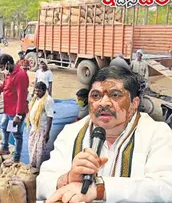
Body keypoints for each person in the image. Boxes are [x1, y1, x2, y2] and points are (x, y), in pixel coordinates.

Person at [36, 66, 172, 202]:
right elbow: (43, 182)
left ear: (134, 103)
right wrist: (67, 178)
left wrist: (100, 189)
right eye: (96, 95)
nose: (104, 103)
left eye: (115, 95)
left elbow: (166, 188)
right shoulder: (72, 132)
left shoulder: (157, 134)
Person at [0, 54, 29, 163]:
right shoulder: (9, 73)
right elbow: (4, 86)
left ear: (8, 63)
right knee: (4, 126)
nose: (1, 70)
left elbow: (21, 96)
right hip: (8, 108)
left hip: (16, 111)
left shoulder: (20, 75)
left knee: (17, 134)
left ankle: (16, 158)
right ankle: (4, 147)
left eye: (1, 67)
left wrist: (18, 115)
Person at [26, 81, 54, 169]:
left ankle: (39, 168)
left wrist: (47, 132)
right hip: (34, 128)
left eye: (39, 91)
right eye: (35, 91)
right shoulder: (35, 98)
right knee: (31, 146)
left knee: (39, 150)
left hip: (42, 129)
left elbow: (50, 117)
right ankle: (33, 164)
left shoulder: (48, 100)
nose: (36, 93)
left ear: (44, 90)